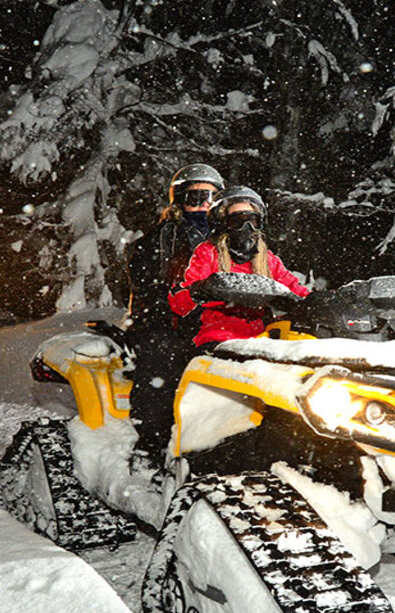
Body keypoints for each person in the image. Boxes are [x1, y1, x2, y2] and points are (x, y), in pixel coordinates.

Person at [124, 163, 224, 460]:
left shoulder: (230, 238)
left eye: (211, 198)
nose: (204, 205)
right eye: (195, 198)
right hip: (166, 321)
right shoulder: (160, 239)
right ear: (179, 201)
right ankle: (152, 445)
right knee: (163, 357)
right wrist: (178, 297)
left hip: (218, 320)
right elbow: (146, 280)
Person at [169, 186, 310, 347]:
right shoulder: (208, 253)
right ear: (223, 223)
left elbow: (296, 289)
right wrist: (201, 290)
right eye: (238, 221)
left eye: (252, 220)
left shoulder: (267, 258)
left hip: (263, 340)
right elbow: (179, 302)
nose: (246, 228)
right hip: (217, 337)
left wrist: (314, 302)